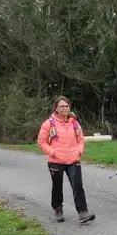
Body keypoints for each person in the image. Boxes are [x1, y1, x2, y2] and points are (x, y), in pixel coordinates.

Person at [37, 95, 96, 224]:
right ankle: (58, 209)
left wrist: (79, 150)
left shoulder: (74, 123)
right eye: (62, 106)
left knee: (78, 186)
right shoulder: (49, 123)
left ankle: (83, 212)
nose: (65, 108)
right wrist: (53, 152)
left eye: (67, 106)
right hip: (56, 161)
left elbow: (81, 139)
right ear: (56, 108)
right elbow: (41, 142)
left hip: (73, 160)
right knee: (57, 187)